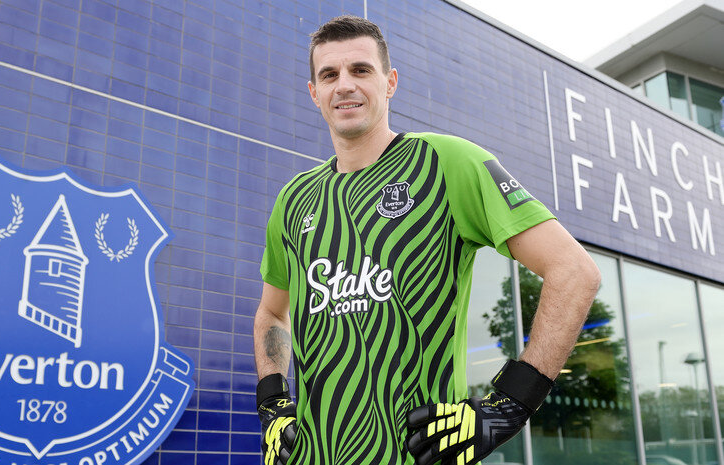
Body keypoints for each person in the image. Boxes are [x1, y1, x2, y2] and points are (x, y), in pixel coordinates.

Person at [253, 15, 600, 465]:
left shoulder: (449, 162)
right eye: (329, 75)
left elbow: (575, 272)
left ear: (390, 82)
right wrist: (272, 405)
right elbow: (271, 312)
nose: (344, 85)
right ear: (314, 92)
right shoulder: (294, 198)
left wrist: (509, 404)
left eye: (361, 70)